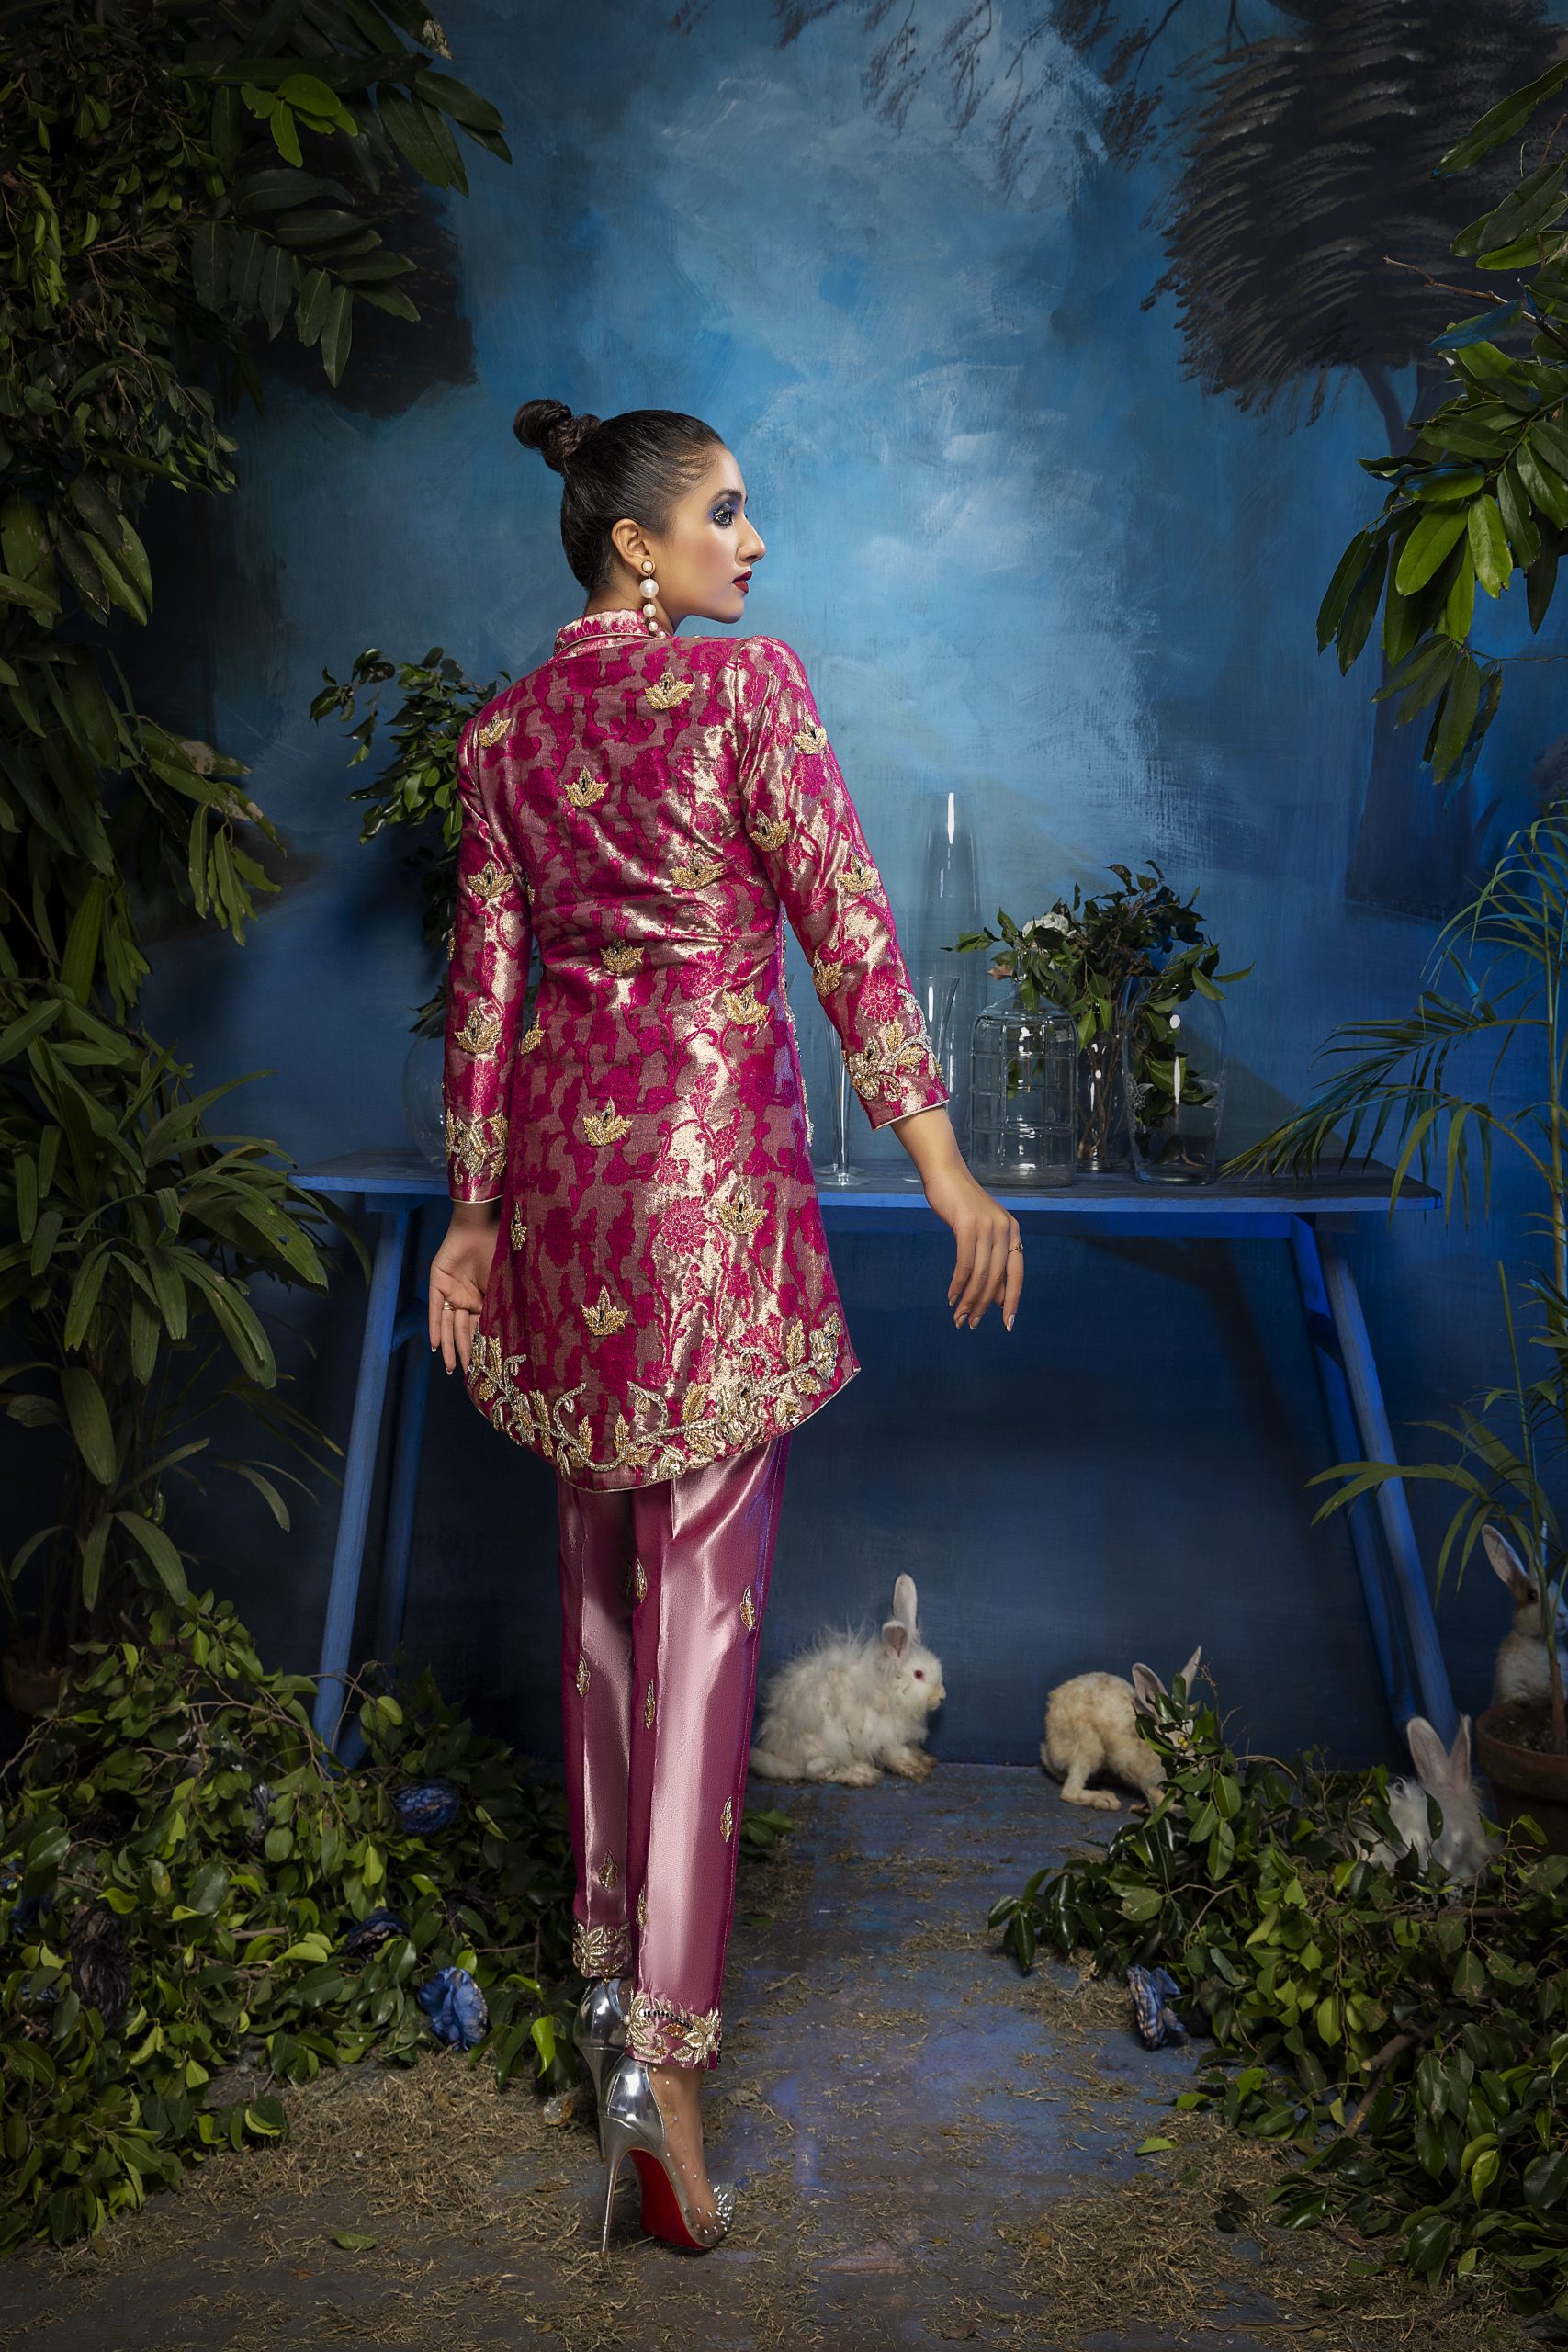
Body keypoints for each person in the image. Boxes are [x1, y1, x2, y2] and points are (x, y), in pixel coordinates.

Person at [426, 401, 1024, 2254]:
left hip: (560, 1202)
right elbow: (848, 928)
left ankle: (607, 1999)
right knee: (700, 1624)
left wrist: (471, 1220)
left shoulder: (501, 738)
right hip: (707, 1203)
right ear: (637, 542)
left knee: (599, 1608)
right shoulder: (746, 690)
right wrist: (945, 1169)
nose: (752, 542)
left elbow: (484, 996)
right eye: (726, 510)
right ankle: (668, 2069)